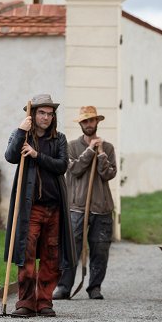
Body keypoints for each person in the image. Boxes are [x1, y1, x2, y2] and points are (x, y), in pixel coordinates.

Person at [4, 94, 76, 317]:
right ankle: (26, 303)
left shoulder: (59, 139)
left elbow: (61, 165)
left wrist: (36, 155)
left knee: (51, 256)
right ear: (32, 115)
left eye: (50, 113)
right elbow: (10, 156)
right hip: (30, 209)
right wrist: (19, 131)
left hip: (53, 208)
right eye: (42, 113)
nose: (46, 117)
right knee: (26, 254)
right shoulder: (23, 137)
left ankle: (45, 301)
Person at [53, 106, 117, 300]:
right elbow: (74, 170)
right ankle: (64, 287)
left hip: (102, 207)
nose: (88, 124)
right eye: (85, 121)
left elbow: (109, 174)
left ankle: (95, 287)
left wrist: (101, 154)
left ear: (97, 122)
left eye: (91, 121)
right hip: (77, 207)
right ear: (80, 124)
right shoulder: (71, 146)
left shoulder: (108, 147)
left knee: (100, 249)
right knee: (71, 248)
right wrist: (90, 151)